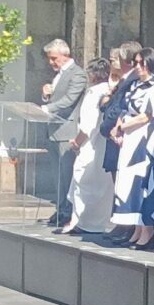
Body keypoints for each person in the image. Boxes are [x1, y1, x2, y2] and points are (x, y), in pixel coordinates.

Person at [110, 47, 154, 250]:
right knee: (128, 183)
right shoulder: (134, 84)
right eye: (136, 63)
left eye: (142, 63)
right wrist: (118, 127)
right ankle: (136, 228)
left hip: (144, 139)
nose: (138, 67)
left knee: (142, 182)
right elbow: (125, 108)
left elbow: (147, 115)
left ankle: (147, 231)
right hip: (129, 137)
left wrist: (123, 127)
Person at [60, 58, 114, 235]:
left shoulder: (94, 93)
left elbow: (88, 124)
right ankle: (99, 222)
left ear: (92, 74)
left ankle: (83, 222)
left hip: (91, 144)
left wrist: (77, 141)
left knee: (84, 182)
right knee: (102, 186)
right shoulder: (108, 90)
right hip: (104, 144)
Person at [40, 38, 87, 226]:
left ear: (65, 55)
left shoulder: (78, 74)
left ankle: (67, 210)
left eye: (54, 58)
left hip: (67, 130)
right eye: (49, 59)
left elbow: (69, 100)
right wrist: (45, 94)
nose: (51, 62)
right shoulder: (59, 74)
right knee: (57, 174)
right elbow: (56, 97)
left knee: (66, 174)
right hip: (53, 130)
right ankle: (60, 208)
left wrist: (47, 108)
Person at [100, 40, 142, 242]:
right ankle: (120, 222)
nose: (111, 62)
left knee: (124, 184)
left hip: (121, 138)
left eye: (115, 58)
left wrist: (108, 127)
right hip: (113, 137)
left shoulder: (131, 79)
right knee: (117, 182)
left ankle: (127, 226)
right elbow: (106, 106)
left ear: (126, 60)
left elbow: (119, 108)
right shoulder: (121, 81)